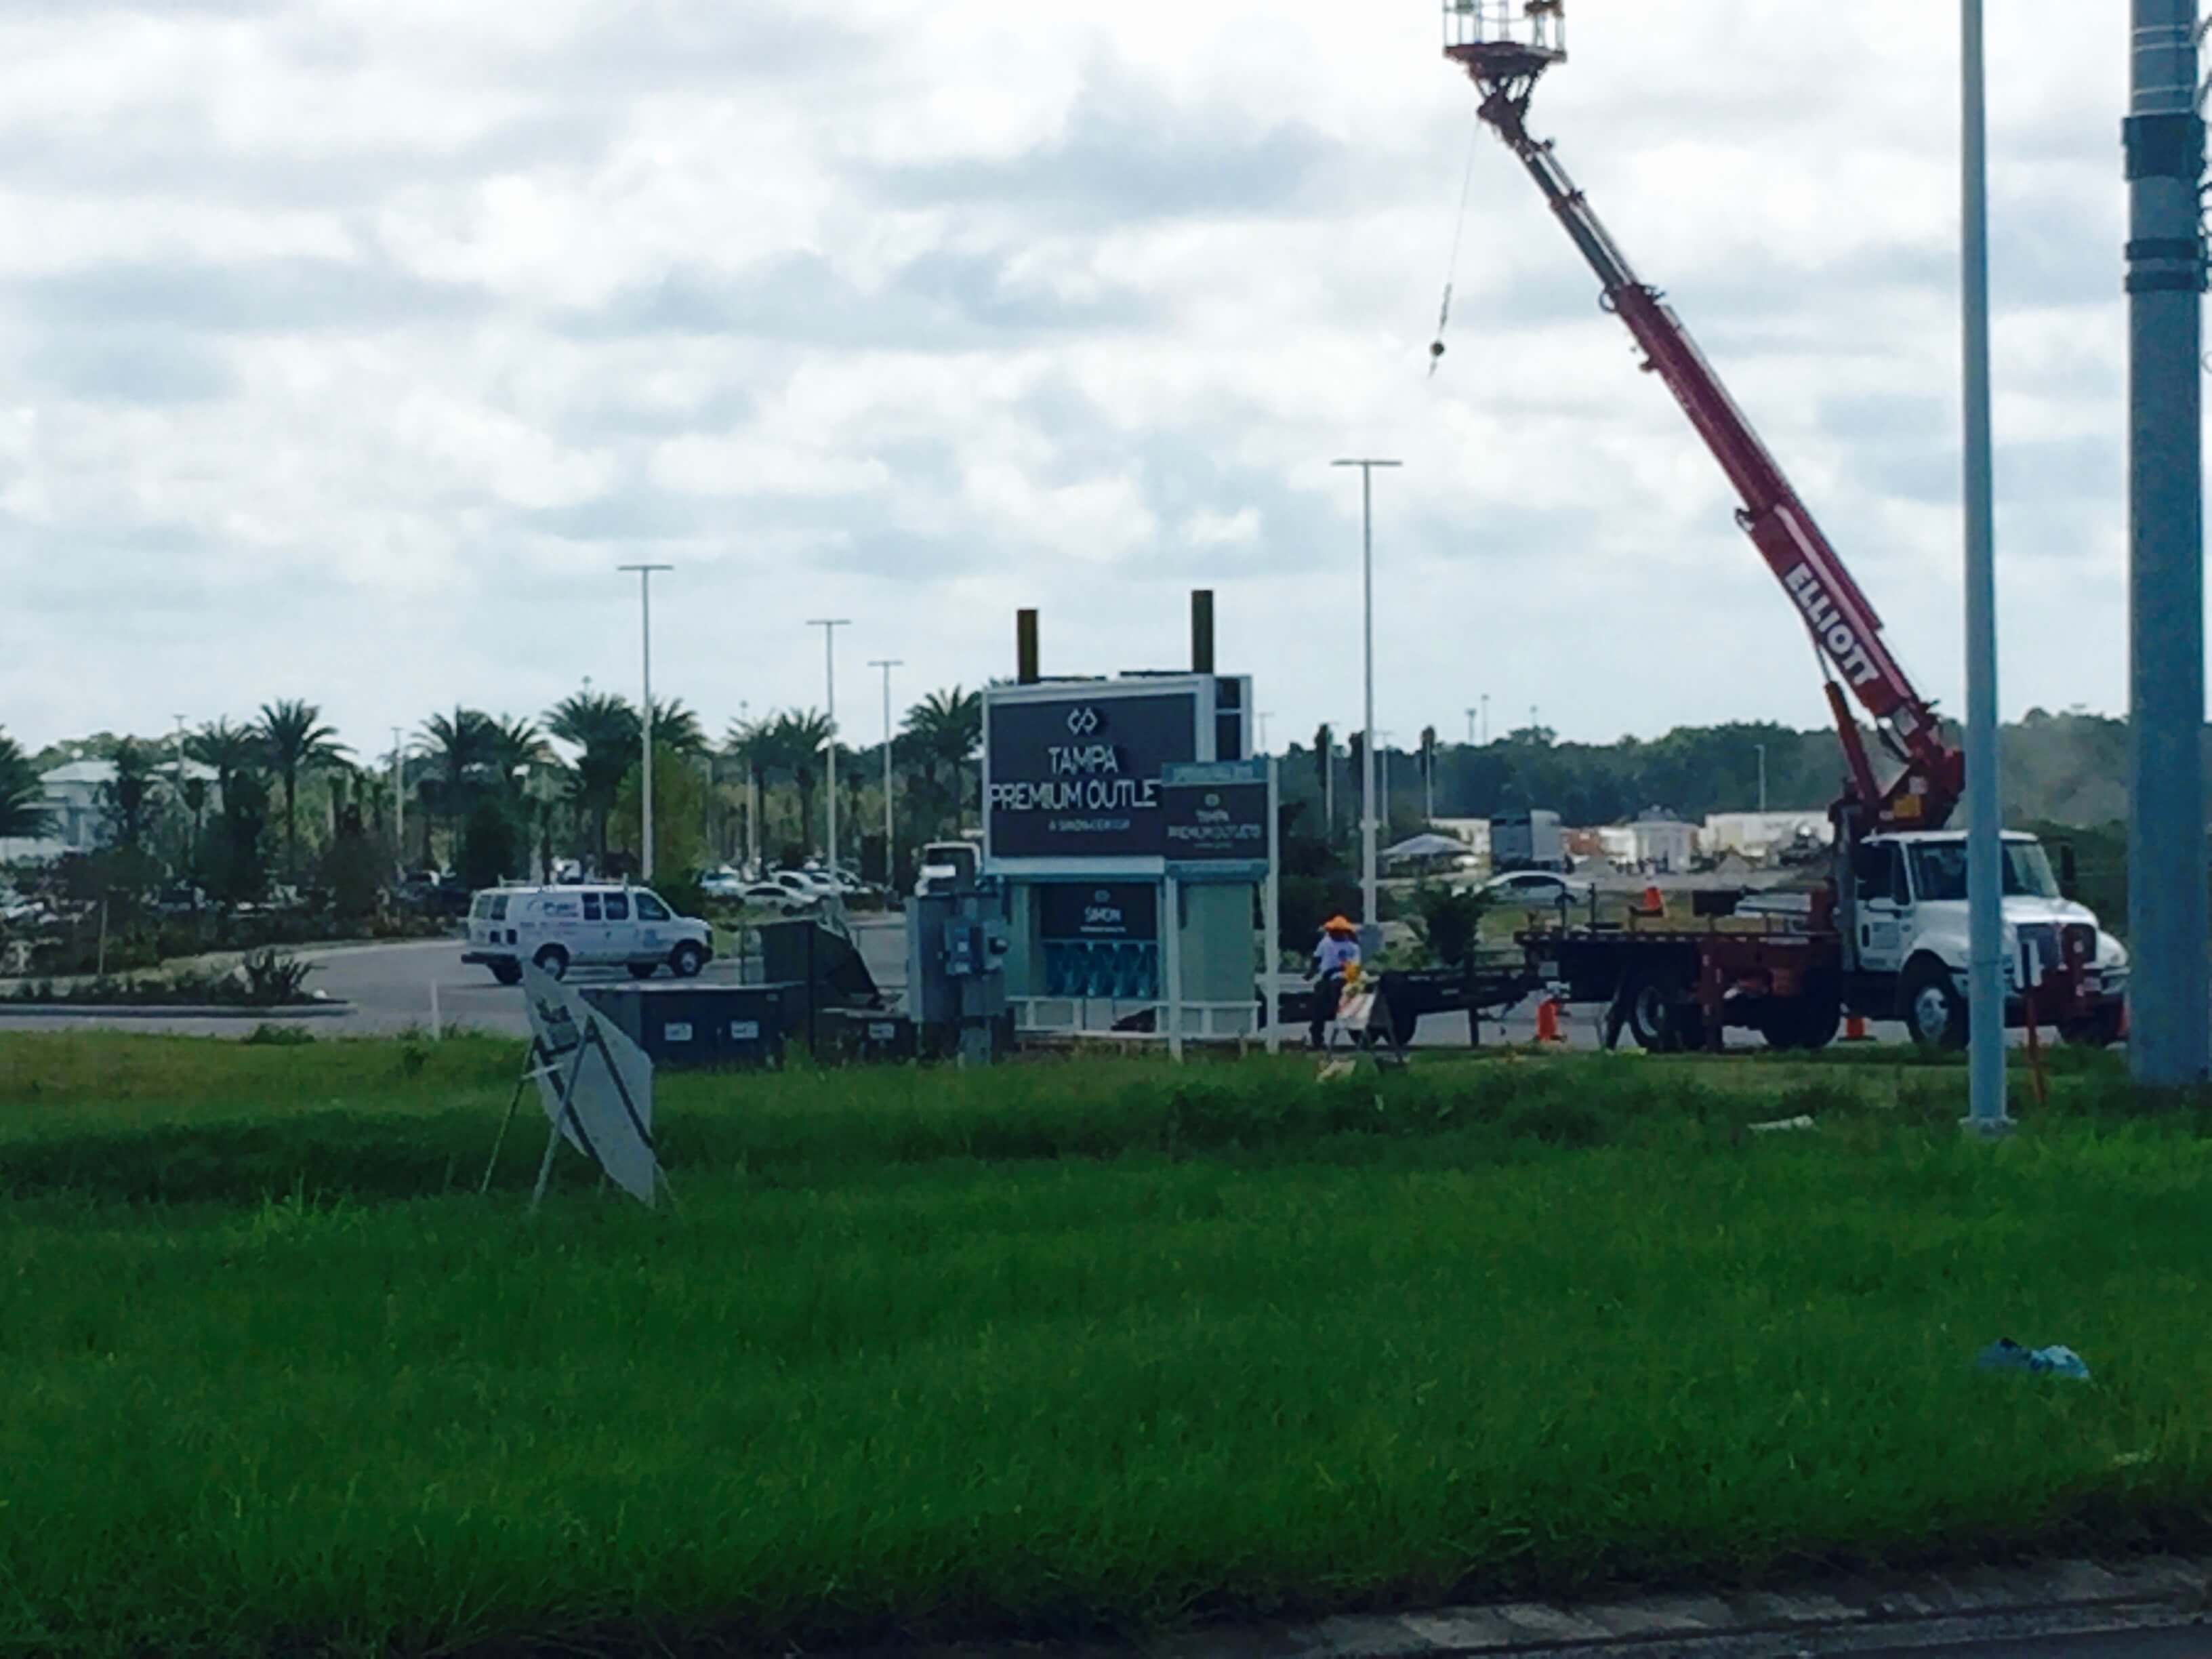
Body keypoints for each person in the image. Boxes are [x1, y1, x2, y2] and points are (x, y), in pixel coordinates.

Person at [1308, 915, 1361, 1049]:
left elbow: (1355, 968)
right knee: (1319, 1003)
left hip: (1346, 980)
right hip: (1327, 979)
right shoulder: (1325, 943)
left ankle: (1359, 1034)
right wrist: (1311, 972)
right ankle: (1317, 1036)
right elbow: (1316, 958)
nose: (1335, 933)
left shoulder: (1353, 948)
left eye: (1338, 931)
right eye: (1333, 931)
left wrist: (1342, 970)